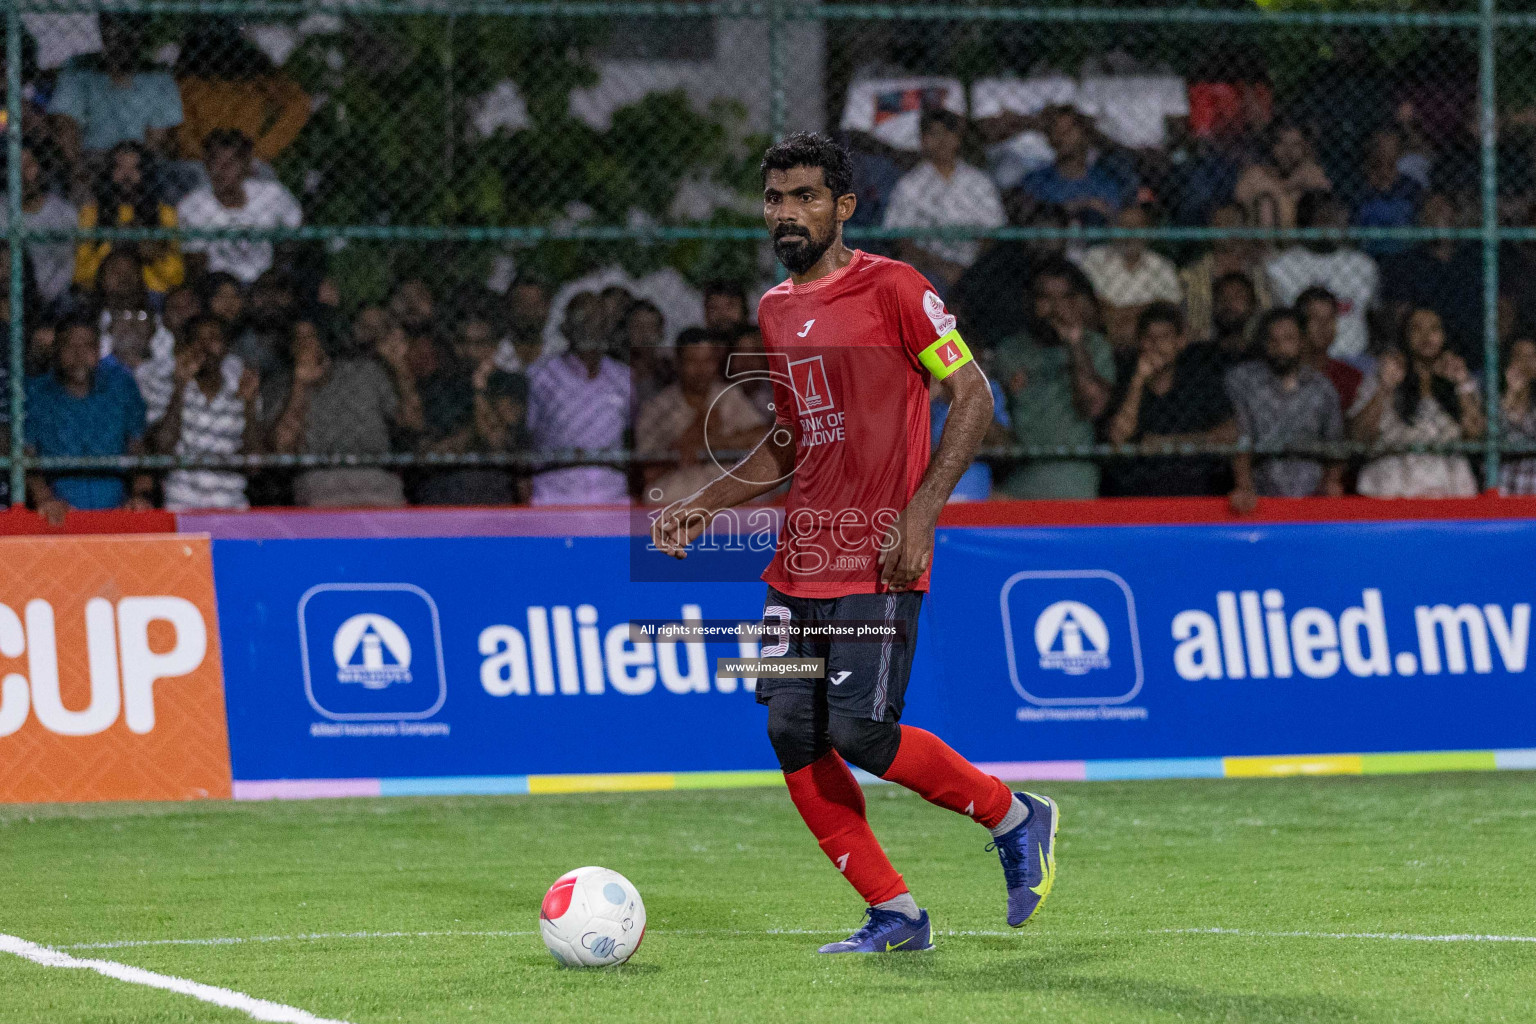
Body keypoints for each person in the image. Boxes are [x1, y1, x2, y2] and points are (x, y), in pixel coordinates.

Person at [652, 132, 1059, 955]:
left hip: (878, 555)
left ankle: (1015, 815)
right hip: (797, 562)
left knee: (862, 734)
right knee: (789, 733)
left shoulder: (898, 289)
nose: (787, 212)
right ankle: (896, 914)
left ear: (844, 206)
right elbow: (791, 440)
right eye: (775, 198)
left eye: (805, 196)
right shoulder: (773, 308)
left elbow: (972, 396)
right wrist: (703, 503)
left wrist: (921, 513)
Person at [268, 315, 424, 507]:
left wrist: (400, 368)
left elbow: (413, 421)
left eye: (312, 337)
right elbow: (283, 449)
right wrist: (301, 384)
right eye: (300, 339)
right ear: (291, 347)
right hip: (320, 480)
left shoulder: (365, 372)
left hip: (374, 475)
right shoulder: (282, 386)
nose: (308, 345)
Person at [992, 259, 1116, 499]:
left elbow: (1093, 406)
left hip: (1071, 469)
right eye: (1046, 299)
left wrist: (1075, 343)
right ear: (1032, 302)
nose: (1056, 308)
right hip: (1021, 470)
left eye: (1065, 299)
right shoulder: (1011, 350)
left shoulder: (1094, 346)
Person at [24, 313, 152, 522]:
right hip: (56, 514)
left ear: (99, 350)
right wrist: (45, 499)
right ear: (56, 350)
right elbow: (26, 454)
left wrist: (140, 496)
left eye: (87, 346)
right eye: (69, 346)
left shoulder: (121, 388)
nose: (79, 355)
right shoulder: (37, 394)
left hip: (118, 509)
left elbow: (139, 447)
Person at [1104, 302, 1237, 496]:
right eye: (1149, 337)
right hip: (1135, 496)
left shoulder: (1199, 382)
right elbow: (1117, 438)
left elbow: (1230, 435)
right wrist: (1139, 380)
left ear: (1180, 341)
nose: (1156, 344)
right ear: (1139, 342)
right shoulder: (1125, 380)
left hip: (1195, 493)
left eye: (1164, 336)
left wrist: (1167, 443)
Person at [1353, 307, 1483, 498]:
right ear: (1405, 336)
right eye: (1417, 329)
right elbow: (1358, 437)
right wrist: (1385, 388)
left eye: (1434, 329)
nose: (1426, 336)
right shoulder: (1383, 376)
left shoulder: (1459, 381)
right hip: (1393, 492)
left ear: (1445, 336)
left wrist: (1462, 383)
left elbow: (1475, 436)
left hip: (1449, 492)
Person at [1225, 308, 1345, 513]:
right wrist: (1244, 487)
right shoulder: (1244, 381)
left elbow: (1335, 445)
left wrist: (1330, 485)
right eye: (1273, 340)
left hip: (1312, 495)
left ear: (1302, 342)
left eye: (1288, 339)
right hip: (1260, 494)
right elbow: (1240, 440)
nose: (1280, 347)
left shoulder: (1322, 388)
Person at [635, 327, 768, 506]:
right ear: (678, 363)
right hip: (675, 498)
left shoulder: (729, 396)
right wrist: (688, 438)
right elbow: (647, 473)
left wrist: (712, 442)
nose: (701, 370)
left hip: (727, 497)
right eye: (692, 361)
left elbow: (763, 435)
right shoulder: (657, 407)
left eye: (708, 361)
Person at [882, 109, 1007, 295]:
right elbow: (902, 241)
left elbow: (992, 232)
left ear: (958, 138)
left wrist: (970, 269)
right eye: (934, 134)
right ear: (923, 140)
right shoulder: (910, 185)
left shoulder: (979, 181)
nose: (942, 141)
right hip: (927, 270)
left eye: (949, 133)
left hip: (975, 268)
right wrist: (942, 267)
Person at [525, 292, 632, 505]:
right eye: (582, 318)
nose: (589, 326)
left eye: (597, 319)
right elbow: (526, 435)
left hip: (611, 494)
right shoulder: (540, 376)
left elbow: (634, 435)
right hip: (554, 494)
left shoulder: (624, 378)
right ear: (566, 327)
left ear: (607, 327)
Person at [414, 298, 522, 506]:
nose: (471, 351)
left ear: (493, 346)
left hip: (492, 491)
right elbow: (428, 451)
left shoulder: (512, 382)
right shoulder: (436, 385)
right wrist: (471, 435)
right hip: (444, 490)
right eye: (464, 342)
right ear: (455, 345)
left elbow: (495, 441)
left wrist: (479, 388)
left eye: (480, 343)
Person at [147, 315, 261, 510]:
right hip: (181, 505)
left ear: (226, 347)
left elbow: (255, 464)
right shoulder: (169, 388)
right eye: (198, 340)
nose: (205, 347)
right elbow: (162, 450)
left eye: (213, 338)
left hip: (231, 506)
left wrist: (249, 406)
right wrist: (180, 386)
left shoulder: (242, 390)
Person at [47, 14, 182, 177]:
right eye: (113, 32)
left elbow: (157, 138)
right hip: (93, 158)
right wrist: (77, 168)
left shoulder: (158, 77)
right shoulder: (79, 70)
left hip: (140, 160)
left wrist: (132, 167)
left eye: (129, 34)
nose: (121, 40)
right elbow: (65, 123)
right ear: (103, 34)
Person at [176, 129, 303, 284]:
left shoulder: (271, 193)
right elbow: (196, 261)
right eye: (217, 162)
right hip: (218, 284)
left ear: (246, 166)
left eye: (231, 162)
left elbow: (297, 230)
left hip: (266, 279)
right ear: (207, 166)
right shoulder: (192, 205)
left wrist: (275, 273)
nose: (223, 170)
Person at [1265, 191, 1379, 361]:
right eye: (1321, 217)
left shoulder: (1363, 265)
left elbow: (1373, 316)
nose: (1328, 224)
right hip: (1301, 361)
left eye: (1332, 216)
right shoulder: (1280, 267)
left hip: (1354, 358)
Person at [1380, 193, 1484, 369]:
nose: (1438, 216)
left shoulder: (1474, 259)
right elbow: (1399, 317)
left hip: (1472, 355)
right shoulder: (1405, 263)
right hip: (1422, 359)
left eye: (1443, 209)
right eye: (1431, 211)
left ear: (1455, 216)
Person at [74, 140, 184, 297]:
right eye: (120, 168)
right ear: (109, 172)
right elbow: (81, 275)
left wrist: (151, 254)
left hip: (152, 294)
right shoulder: (91, 213)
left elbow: (176, 277)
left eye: (134, 168)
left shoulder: (164, 213)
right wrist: (113, 242)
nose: (127, 176)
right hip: (104, 294)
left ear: (145, 173)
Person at [1075, 203, 1182, 350]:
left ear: (1149, 231)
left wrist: (1115, 313)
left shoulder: (1163, 266)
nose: (1130, 232)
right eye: (1123, 225)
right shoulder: (1092, 259)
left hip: (1148, 345)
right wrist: (1145, 310)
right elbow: (1088, 306)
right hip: (1101, 340)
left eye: (1138, 226)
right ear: (1111, 228)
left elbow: (1169, 309)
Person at [1021, 106, 1132, 227]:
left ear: (1085, 134)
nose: (1061, 137)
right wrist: (1080, 205)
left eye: (1068, 131)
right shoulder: (1036, 181)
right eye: (1055, 131)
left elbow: (1114, 219)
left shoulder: (1104, 181)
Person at [1180, 204, 1274, 345]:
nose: (1225, 228)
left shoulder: (1260, 273)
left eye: (1231, 222)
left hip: (1253, 347)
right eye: (1219, 223)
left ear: (1244, 228)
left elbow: (1268, 314)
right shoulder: (1191, 275)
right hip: (1203, 348)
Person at [0, 139, 77, 304]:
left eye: (29, 166)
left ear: (40, 168)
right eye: (15, 166)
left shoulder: (64, 213)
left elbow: (66, 266)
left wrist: (43, 298)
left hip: (51, 300)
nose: (22, 175)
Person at [1233, 119, 1332, 229]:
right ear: (1273, 147)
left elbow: (1324, 186)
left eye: (1295, 145)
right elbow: (1240, 194)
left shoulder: (1309, 171)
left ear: (1304, 149)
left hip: (1299, 234)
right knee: (1266, 203)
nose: (1288, 151)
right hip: (1264, 234)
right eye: (1282, 144)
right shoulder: (1256, 173)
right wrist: (1288, 186)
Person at [1347, 127, 1423, 258]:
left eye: (1391, 144)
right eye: (1381, 144)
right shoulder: (1356, 186)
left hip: (1405, 256)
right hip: (1365, 255)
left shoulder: (1410, 186)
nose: (1386, 149)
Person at [1295, 286, 1366, 416]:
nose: (1324, 326)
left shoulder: (1350, 377)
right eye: (1315, 318)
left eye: (1330, 318)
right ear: (1301, 323)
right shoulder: (1285, 372)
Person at [1499, 337, 1536, 495]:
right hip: (1506, 486)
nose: (1525, 363)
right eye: (1519, 356)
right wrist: (1512, 395)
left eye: (1531, 357)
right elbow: (1491, 436)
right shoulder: (1497, 400)